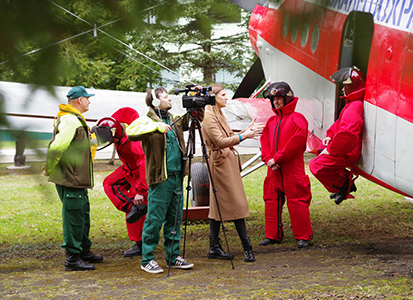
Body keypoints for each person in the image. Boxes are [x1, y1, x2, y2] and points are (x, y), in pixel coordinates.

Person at [126, 87, 203, 274]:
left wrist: (197, 98)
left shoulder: (174, 119)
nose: (170, 99)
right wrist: (157, 127)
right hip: (161, 178)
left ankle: (173, 256)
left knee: (175, 219)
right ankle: (147, 259)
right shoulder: (146, 121)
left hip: (177, 176)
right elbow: (131, 131)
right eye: (165, 97)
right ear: (155, 102)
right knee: (155, 219)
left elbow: (195, 117)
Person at [43, 86, 103, 271]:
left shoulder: (76, 119)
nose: (89, 101)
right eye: (87, 98)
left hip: (78, 178)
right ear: (79, 100)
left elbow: (82, 146)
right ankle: (72, 258)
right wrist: (49, 167)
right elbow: (57, 147)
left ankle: (83, 251)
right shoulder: (70, 119)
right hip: (70, 178)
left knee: (82, 214)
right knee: (74, 218)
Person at [201, 84, 264, 262]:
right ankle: (247, 247)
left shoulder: (217, 113)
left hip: (225, 162)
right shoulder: (208, 116)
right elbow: (221, 142)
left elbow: (227, 137)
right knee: (234, 204)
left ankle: (214, 246)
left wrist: (246, 132)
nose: (226, 98)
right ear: (213, 97)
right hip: (221, 164)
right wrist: (245, 135)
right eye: (223, 95)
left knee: (219, 206)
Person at [259, 82, 313, 249]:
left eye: (279, 98)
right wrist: (268, 159)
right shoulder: (271, 121)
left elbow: (296, 142)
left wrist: (277, 159)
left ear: (287, 99)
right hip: (273, 170)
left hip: (291, 170)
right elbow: (265, 141)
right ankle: (272, 235)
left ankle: (303, 236)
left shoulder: (299, 119)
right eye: (273, 99)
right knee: (271, 201)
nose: (276, 102)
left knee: (297, 202)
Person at [93, 107, 148, 258]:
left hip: (139, 172)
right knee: (109, 183)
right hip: (128, 170)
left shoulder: (133, 139)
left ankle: (141, 244)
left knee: (138, 202)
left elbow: (143, 163)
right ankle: (131, 206)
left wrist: (141, 190)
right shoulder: (118, 132)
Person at [309, 66, 366, 205]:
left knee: (315, 166)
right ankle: (343, 183)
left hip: (348, 151)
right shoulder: (351, 104)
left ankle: (343, 185)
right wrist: (329, 136)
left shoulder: (354, 107)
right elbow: (338, 125)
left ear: (351, 87)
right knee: (320, 149)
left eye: (344, 87)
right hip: (344, 148)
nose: (342, 89)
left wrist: (330, 151)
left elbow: (348, 136)